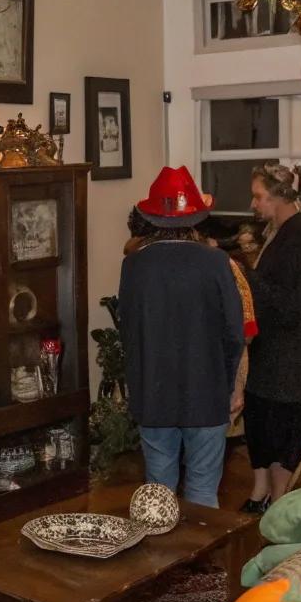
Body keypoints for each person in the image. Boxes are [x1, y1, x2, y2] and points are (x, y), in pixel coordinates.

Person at [118, 166, 244, 508]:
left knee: (158, 495)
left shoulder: (133, 265)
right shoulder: (216, 262)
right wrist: (229, 384)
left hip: (153, 394)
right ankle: (201, 546)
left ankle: (161, 544)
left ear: (152, 218)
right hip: (207, 392)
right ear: (195, 219)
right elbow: (234, 332)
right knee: (203, 492)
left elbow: (128, 331)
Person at [243, 161, 301, 512]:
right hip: (269, 360)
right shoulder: (278, 232)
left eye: (258, 196)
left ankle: (277, 507)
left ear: (279, 196)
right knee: (261, 429)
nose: (253, 204)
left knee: (284, 438)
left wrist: (247, 277)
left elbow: (293, 307)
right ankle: (259, 495)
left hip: (291, 366)